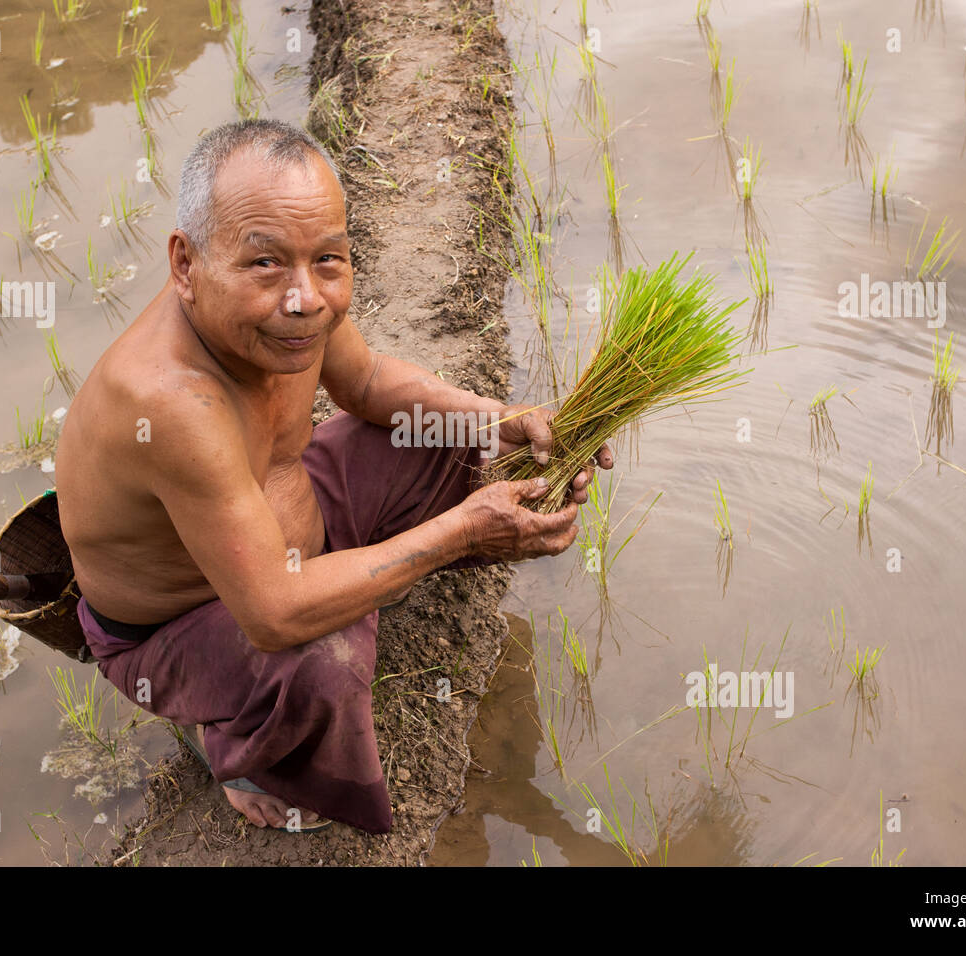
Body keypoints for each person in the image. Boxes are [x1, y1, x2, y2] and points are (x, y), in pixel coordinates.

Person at [54, 118, 611, 834]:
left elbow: (370, 381)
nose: (304, 298)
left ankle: (370, 569)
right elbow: (276, 613)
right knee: (325, 656)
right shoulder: (171, 403)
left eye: (328, 259)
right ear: (185, 264)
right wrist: (463, 531)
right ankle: (239, 749)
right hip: (184, 623)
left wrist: (498, 420)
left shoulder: (298, 310)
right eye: (264, 264)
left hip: (294, 524)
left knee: (453, 441)